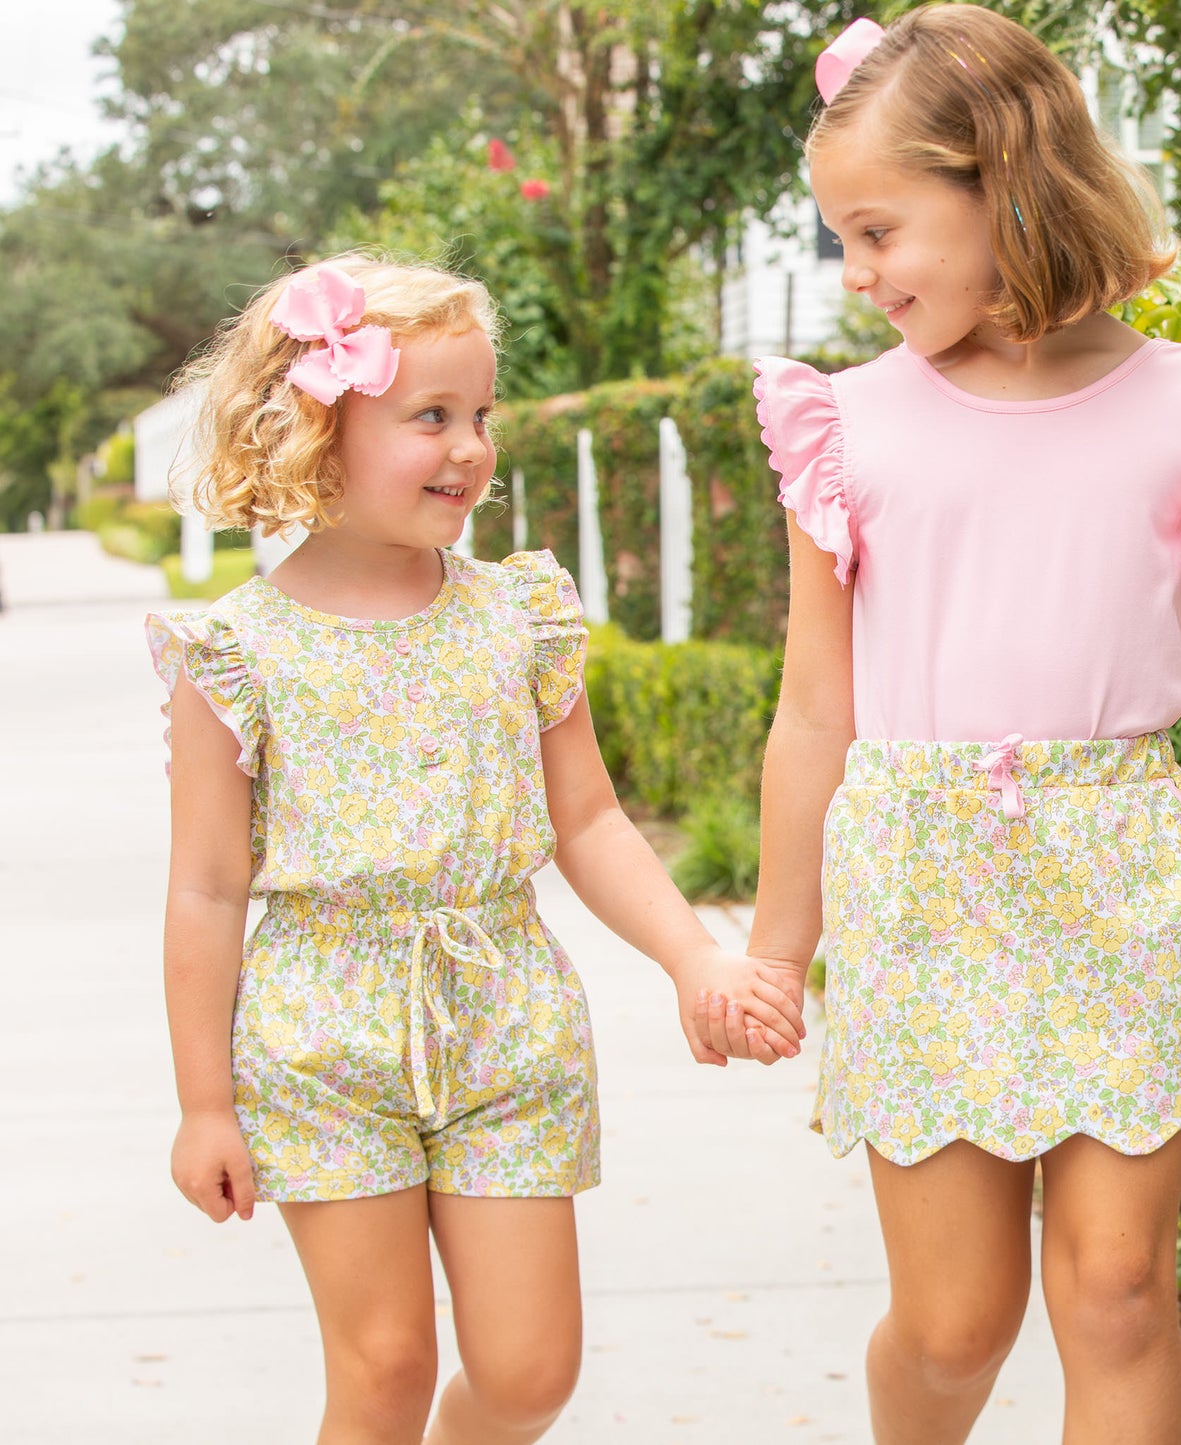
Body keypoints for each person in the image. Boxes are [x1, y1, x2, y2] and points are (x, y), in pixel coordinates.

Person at [701, 9, 1181, 1444]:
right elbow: (815, 706)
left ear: (1001, 181)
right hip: (922, 882)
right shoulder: (846, 427)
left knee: (1120, 1289)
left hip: (1118, 874)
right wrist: (776, 943)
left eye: (878, 232)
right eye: (842, 242)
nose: (857, 274)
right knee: (954, 1327)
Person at [146, 255, 805, 1445]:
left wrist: (691, 958)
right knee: (385, 1366)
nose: (469, 447)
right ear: (313, 433)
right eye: (430, 417)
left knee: (527, 1371)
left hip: (506, 1020)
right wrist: (205, 1103)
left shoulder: (516, 615)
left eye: (481, 415)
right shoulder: (235, 653)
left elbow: (590, 819)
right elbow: (204, 887)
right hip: (319, 1038)